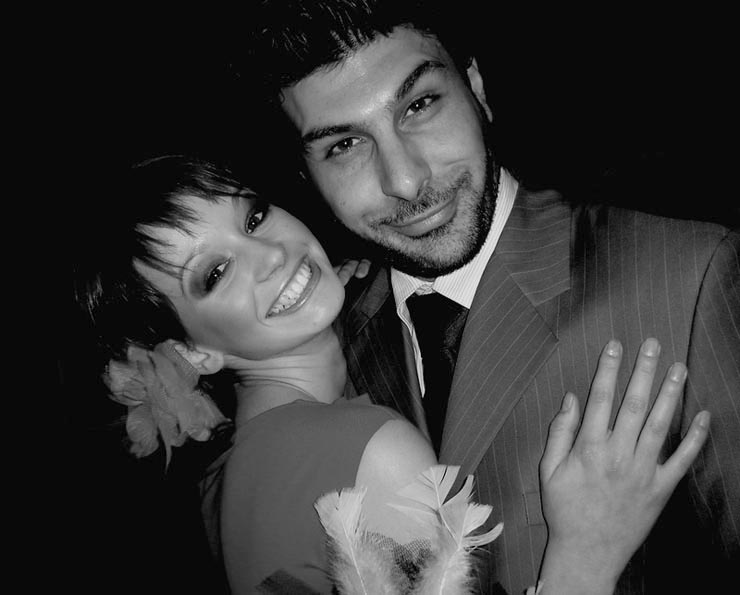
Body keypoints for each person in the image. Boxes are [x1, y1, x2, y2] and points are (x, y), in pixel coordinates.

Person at [245, 1, 740, 593]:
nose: (405, 180)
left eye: (419, 105)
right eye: (344, 145)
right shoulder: (328, 348)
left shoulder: (688, 276)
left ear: (476, 88)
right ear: (308, 178)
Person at [75, 155, 710, 594]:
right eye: (214, 274)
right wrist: (585, 558)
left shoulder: (230, 476)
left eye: (254, 217)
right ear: (192, 355)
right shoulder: (369, 449)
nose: (271, 255)